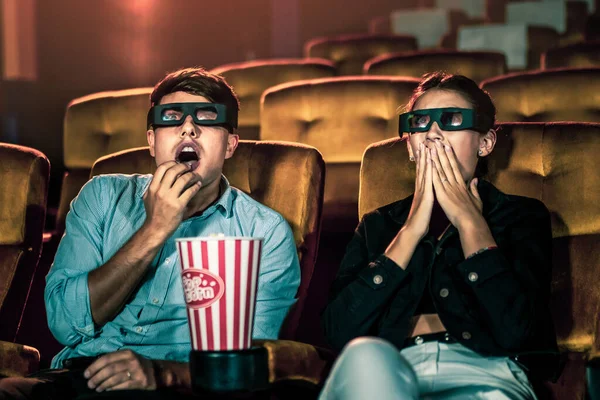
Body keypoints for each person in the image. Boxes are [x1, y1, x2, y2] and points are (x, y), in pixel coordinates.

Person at [0, 67, 300, 399]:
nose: (188, 129)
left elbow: (252, 363)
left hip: (183, 388)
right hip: (78, 377)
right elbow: (64, 324)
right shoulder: (101, 196)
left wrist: (161, 374)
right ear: (152, 141)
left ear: (230, 145)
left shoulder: (265, 231)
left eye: (206, 118)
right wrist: (155, 229)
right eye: (171, 118)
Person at [319, 72, 560, 399]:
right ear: (410, 147)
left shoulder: (520, 216)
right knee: (364, 354)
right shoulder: (378, 224)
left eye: (452, 119)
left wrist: (470, 223)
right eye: (419, 122)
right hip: (391, 369)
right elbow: (338, 332)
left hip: (487, 370)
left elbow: (518, 331)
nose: (432, 133)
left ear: (485, 143)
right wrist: (411, 230)